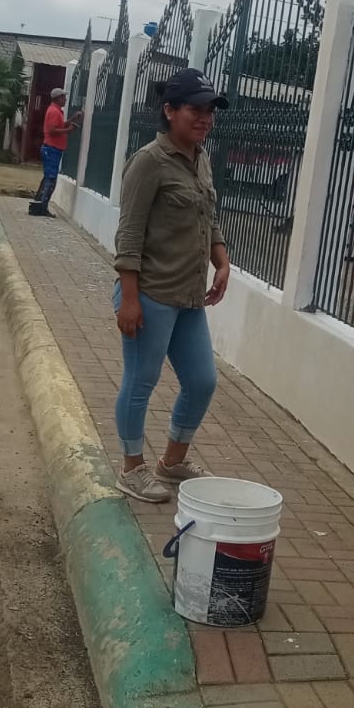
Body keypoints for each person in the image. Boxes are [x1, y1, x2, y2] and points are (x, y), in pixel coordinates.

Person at [113, 67, 231, 503]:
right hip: (150, 294)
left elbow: (208, 218)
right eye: (195, 109)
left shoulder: (201, 158)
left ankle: (172, 461)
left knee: (202, 381)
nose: (205, 118)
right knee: (141, 382)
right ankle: (131, 469)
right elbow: (129, 235)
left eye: (210, 111)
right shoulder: (149, 162)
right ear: (169, 110)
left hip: (188, 297)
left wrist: (222, 261)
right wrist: (129, 300)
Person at [29, 88, 81, 218]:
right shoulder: (54, 111)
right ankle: (42, 207)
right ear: (58, 98)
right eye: (63, 97)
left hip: (52, 149)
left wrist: (72, 119)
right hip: (52, 149)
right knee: (51, 179)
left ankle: (38, 205)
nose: (65, 99)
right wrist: (69, 130)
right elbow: (52, 130)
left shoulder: (56, 111)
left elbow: (59, 126)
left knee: (48, 178)